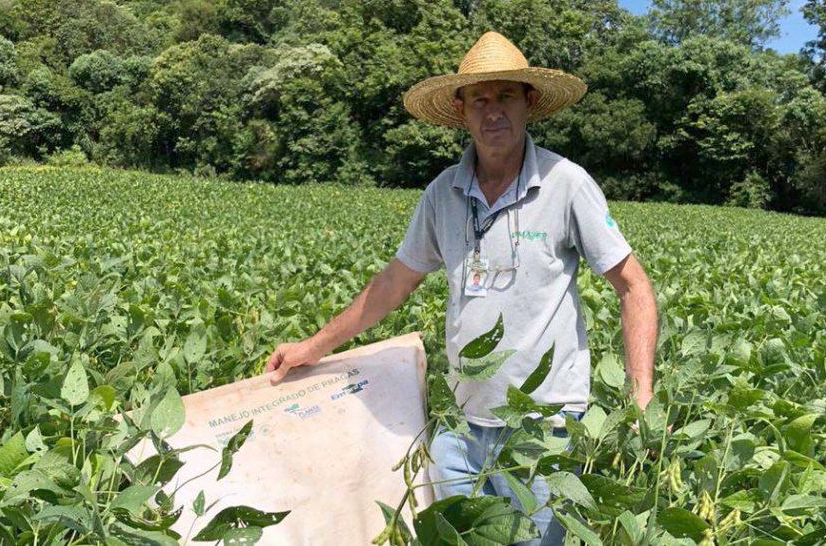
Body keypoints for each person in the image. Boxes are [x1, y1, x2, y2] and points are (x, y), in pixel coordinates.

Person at [265, 31, 658, 546]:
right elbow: (391, 283)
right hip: (461, 425)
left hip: (544, 427)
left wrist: (641, 394)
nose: (493, 111)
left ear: (529, 102)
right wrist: (309, 349)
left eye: (506, 97)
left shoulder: (567, 184)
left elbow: (634, 286)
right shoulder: (443, 193)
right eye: (480, 100)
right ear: (463, 110)